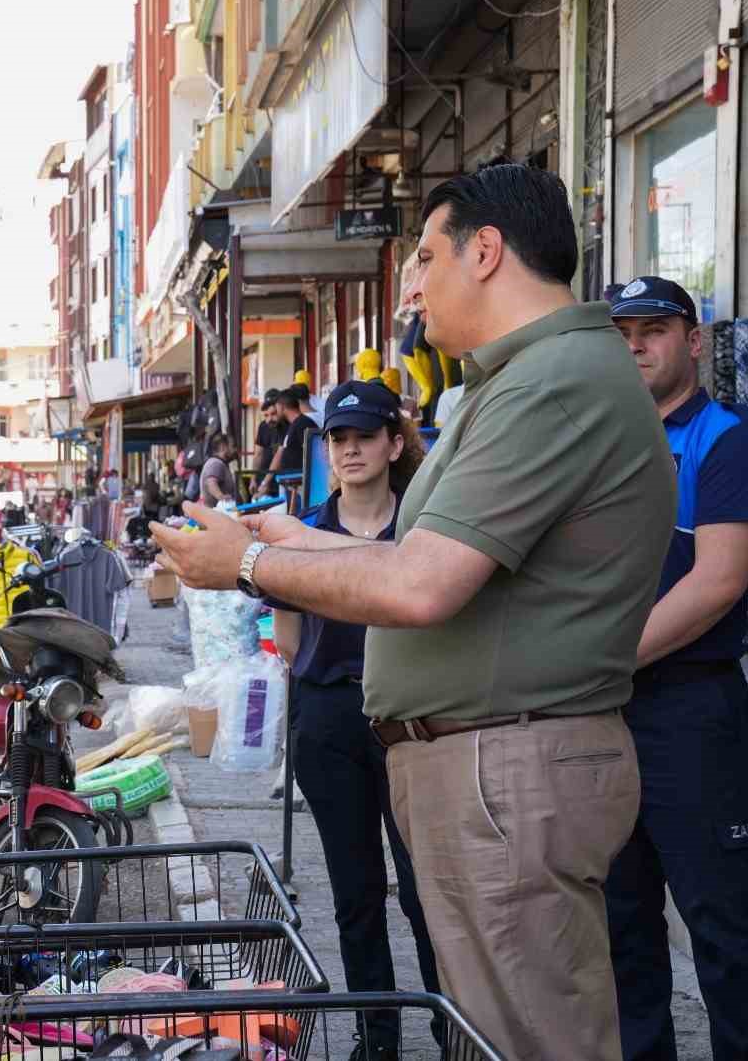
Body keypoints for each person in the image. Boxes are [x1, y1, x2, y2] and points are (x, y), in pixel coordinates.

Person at [151, 162, 674, 1060]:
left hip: (507, 766)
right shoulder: (517, 380)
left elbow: (419, 586)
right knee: (497, 1028)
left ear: (486, 251)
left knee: (530, 1038)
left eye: (425, 256)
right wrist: (287, 541)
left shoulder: (549, 383)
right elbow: (414, 558)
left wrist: (249, 564)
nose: (412, 283)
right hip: (489, 763)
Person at [605, 276, 748, 1060]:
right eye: (623, 333)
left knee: (723, 927)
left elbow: (718, 584)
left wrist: (593, 663)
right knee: (620, 926)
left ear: (694, 339)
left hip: (687, 714)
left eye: (654, 330)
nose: (636, 346)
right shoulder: (599, 443)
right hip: (602, 715)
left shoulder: (727, 437)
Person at [268, 381, 441, 1060]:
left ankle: (450, 1029)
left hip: (414, 717)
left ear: (394, 444)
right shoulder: (302, 531)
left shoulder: (425, 530)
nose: (350, 450)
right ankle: (377, 1039)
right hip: (331, 718)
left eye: (364, 436)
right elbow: (287, 636)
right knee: (355, 893)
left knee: (427, 892)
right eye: (338, 439)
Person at [254, 390, 318, 510]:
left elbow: (314, 453)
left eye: (276, 408)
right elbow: (281, 453)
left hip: (300, 486)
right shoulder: (294, 425)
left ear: (281, 406)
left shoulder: (303, 424)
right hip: (291, 485)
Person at [253, 389, 286, 498]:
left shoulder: (287, 426)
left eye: (273, 414)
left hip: (282, 481)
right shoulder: (263, 426)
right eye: (266, 415)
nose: (269, 419)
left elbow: (279, 456)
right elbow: (258, 454)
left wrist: (264, 482)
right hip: (264, 480)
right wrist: (254, 479)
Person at [199, 433, 240, 510]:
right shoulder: (216, 463)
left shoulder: (219, 463)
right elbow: (211, 483)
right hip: (215, 514)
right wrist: (221, 497)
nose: (235, 450)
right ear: (223, 447)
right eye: (233, 446)